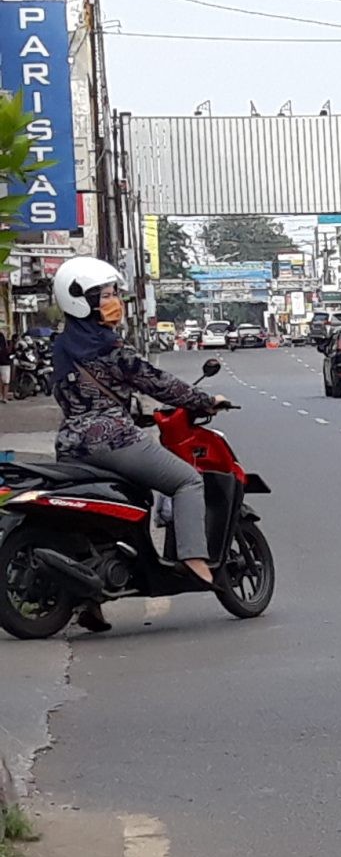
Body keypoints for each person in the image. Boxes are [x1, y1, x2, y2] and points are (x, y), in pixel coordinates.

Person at [47, 259, 226, 618]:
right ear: (84, 300)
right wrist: (206, 401)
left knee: (103, 516)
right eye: (108, 295)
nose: (115, 301)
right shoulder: (109, 348)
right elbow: (157, 382)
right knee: (187, 481)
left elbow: (84, 397)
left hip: (70, 446)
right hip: (114, 441)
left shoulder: (63, 346)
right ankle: (193, 558)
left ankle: (90, 601)